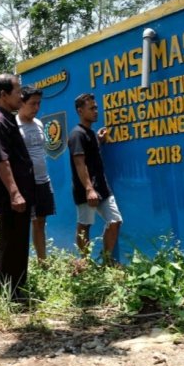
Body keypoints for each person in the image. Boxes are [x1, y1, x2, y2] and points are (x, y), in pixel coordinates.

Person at [0, 74, 36, 302]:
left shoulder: (7, 118)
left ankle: (15, 289)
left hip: (20, 193)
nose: (21, 96)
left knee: (18, 239)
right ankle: (8, 292)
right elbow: (1, 161)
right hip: (10, 196)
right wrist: (14, 192)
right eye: (17, 92)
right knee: (11, 240)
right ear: (3, 95)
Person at [68, 93, 122, 265]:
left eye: (96, 107)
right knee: (85, 226)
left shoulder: (90, 133)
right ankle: (83, 263)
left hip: (102, 188)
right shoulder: (76, 134)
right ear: (80, 111)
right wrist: (89, 189)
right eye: (91, 108)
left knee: (115, 221)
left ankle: (106, 260)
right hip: (86, 189)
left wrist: (99, 141)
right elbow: (79, 163)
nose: (96, 111)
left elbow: (91, 155)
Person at [16, 86, 56, 264]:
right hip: (26, 184)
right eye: (32, 104)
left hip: (43, 180)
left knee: (41, 221)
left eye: (38, 103)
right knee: (28, 223)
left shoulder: (39, 124)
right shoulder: (13, 125)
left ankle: (43, 261)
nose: (36, 108)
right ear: (21, 102)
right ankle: (20, 264)